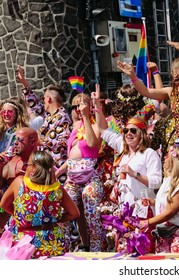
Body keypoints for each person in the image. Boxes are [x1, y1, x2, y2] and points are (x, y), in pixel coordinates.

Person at [117, 57, 179, 245]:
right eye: (177, 79)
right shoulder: (171, 92)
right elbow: (146, 91)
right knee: (176, 185)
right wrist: (132, 76)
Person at [0, 151, 80, 258]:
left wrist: (19, 215)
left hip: (23, 243)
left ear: (33, 168)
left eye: (27, 164)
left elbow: (3, 204)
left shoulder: (19, 183)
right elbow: (74, 213)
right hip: (51, 243)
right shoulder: (57, 190)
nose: (25, 167)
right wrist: (54, 219)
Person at [58, 93, 103, 252]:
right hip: (72, 176)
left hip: (90, 176)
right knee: (64, 210)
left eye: (82, 105)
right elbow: (71, 158)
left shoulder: (95, 124)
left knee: (91, 214)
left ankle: (96, 249)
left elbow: (92, 143)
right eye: (75, 106)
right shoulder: (75, 128)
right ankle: (66, 248)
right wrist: (56, 174)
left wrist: (86, 116)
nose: (78, 109)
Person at [139, 136, 179, 253]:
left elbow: (170, 212)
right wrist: (154, 202)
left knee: (176, 264)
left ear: (174, 161)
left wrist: (148, 222)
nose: (164, 158)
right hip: (164, 230)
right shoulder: (168, 180)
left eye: (167, 156)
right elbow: (169, 203)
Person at [19, 75, 72, 185]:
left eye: (43, 99)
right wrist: (24, 83)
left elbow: (61, 143)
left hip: (57, 169)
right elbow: (36, 106)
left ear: (49, 99)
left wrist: (39, 141)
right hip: (46, 166)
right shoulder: (49, 115)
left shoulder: (62, 117)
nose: (43, 102)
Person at [0, 128, 39, 230]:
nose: (15, 143)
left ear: (32, 142)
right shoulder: (9, 158)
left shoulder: (40, 164)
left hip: (28, 220)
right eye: (14, 140)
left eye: (19, 140)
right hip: (5, 212)